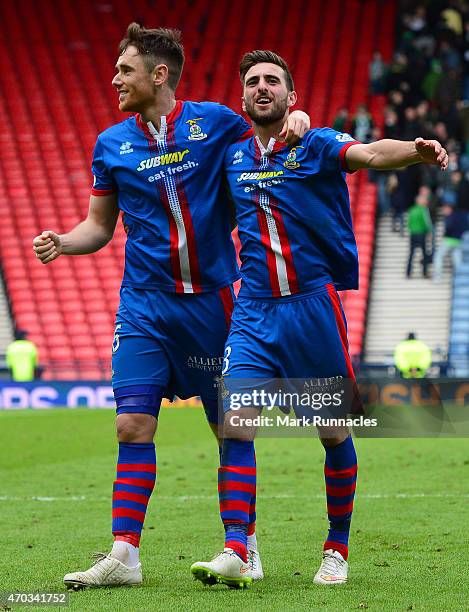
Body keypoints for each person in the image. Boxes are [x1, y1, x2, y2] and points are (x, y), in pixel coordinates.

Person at [32, 24, 310, 589]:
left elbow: (268, 130)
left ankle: (243, 546)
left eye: (125, 69)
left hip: (213, 306)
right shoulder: (110, 144)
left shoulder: (216, 123)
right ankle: (124, 555)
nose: (115, 78)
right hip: (144, 309)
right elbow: (98, 227)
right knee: (132, 424)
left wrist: (294, 123)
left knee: (231, 427)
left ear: (159, 75)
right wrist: (64, 241)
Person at [190, 50, 448, 589]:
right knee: (233, 417)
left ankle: (337, 546)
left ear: (291, 96)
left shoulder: (318, 143)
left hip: (313, 308)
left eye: (272, 82)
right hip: (254, 309)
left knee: (332, 432)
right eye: (254, 82)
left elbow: (373, 153)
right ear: (243, 98)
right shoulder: (232, 157)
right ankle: (239, 545)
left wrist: (416, 152)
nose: (262, 88)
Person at [433, 205, 467, 281]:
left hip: (449, 240)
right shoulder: (459, 217)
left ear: (449, 209)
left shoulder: (450, 217)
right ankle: (460, 278)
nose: (443, 211)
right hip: (458, 241)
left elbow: (449, 227)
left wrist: (445, 235)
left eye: (444, 209)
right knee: (457, 259)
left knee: (438, 256)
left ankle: (437, 278)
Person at [406, 187, 433, 278]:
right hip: (421, 234)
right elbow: (427, 222)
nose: (426, 201)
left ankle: (408, 272)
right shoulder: (424, 210)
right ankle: (425, 272)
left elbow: (408, 222)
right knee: (424, 253)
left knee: (411, 253)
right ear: (420, 201)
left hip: (413, 234)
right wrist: (429, 231)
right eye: (424, 200)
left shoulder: (411, 210)